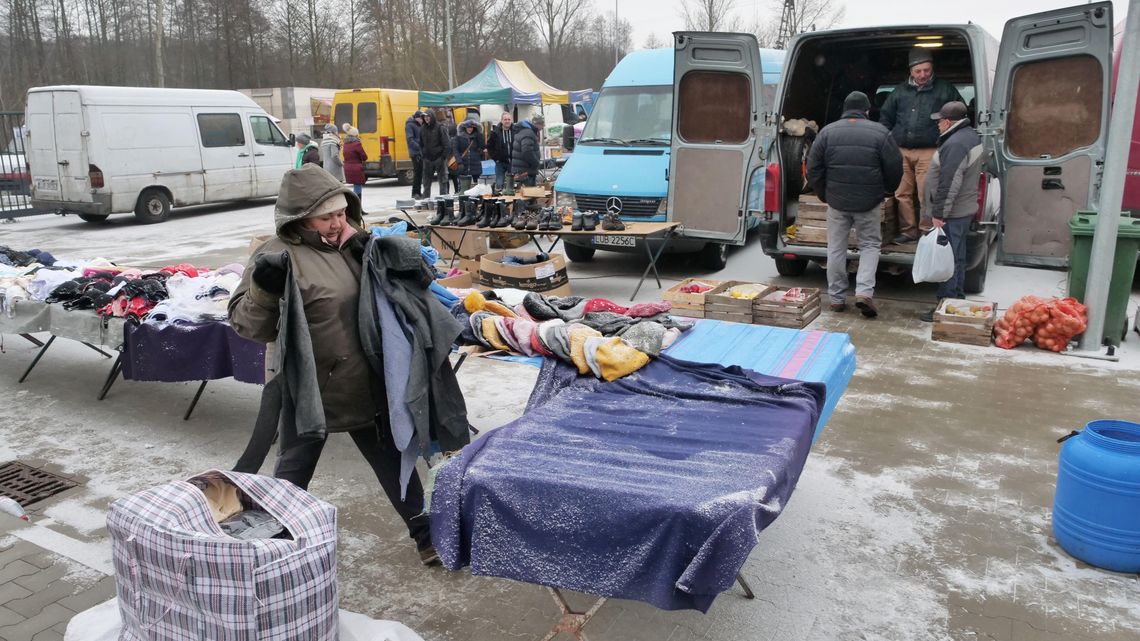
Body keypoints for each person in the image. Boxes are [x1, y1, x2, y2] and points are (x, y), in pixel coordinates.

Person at [228, 164, 437, 564]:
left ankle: (428, 537)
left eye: (342, 213)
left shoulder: (356, 245)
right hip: (309, 388)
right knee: (292, 472)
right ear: (299, 217)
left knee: (395, 463)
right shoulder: (276, 255)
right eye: (326, 216)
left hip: (366, 382)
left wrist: (374, 255)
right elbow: (246, 323)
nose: (337, 222)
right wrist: (265, 290)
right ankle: (274, 550)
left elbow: (415, 286)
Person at [806, 91, 903, 319]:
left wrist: (824, 194)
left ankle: (837, 298)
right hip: (869, 202)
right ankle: (864, 292)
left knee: (836, 248)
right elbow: (895, 167)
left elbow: (813, 168)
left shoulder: (827, 132)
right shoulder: (880, 133)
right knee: (869, 245)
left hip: (837, 202)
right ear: (867, 110)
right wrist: (886, 190)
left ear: (845, 109)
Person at [879, 48, 964, 244]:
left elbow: (959, 115)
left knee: (926, 193)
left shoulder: (945, 89)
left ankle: (927, 230)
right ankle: (909, 231)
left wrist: (947, 141)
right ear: (911, 71)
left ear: (932, 68)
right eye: (918, 71)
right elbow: (885, 117)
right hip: (901, 151)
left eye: (926, 70)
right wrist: (888, 141)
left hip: (930, 150)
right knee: (902, 193)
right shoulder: (899, 92)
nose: (923, 75)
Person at [919, 101, 984, 322]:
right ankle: (955, 299)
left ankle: (945, 304)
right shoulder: (968, 136)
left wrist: (939, 213)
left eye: (939, 121)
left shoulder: (955, 144)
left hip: (953, 213)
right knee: (957, 257)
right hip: (962, 210)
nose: (937, 125)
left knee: (948, 259)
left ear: (947, 122)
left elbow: (949, 182)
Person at [419, 110, 450, 197]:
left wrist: (442, 158)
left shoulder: (440, 127)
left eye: (428, 116)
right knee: (426, 183)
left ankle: (443, 202)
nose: (426, 118)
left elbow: (447, 145)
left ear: (432, 117)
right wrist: (423, 156)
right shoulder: (422, 128)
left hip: (439, 158)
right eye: (425, 117)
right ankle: (426, 201)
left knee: (443, 183)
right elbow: (420, 144)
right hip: (427, 160)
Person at [511, 114, 544, 187]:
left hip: (522, 169)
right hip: (526, 170)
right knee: (528, 195)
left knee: (523, 194)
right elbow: (527, 151)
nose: (542, 127)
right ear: (537, 124)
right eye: (542, 125)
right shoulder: (529, 133)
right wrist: (536, 163)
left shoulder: (523, 131)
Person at [452, 118, 484, 190]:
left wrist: (480, 135)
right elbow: (455, 149)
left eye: (471, 127)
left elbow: (482, 147)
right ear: (464, 127)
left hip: (475, 164)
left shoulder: (477, 136)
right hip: (463, 164)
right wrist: (459, 161)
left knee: (476, 187)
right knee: (463, 187)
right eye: (468, 127)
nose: (470, 129)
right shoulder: (459, 137)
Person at [486, 111, 515, 190]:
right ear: (501, 121)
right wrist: (495, 158)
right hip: (500, 163)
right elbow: (489, 146)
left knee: (512, 185)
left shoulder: (515, 131)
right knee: (499, 184)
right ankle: (500, 200)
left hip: (512, 162)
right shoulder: (495, 132)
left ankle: (511, 201)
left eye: (509, 119)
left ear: (511, 120)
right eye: (505, 119)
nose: (507, 121)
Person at [342, 125, 368, 199]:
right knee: (358, 188)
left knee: (356, 187)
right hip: (356, 168)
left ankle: (358, 208)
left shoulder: (345, 144)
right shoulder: (357, 144)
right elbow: (364, 157)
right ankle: (357, 208)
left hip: (347, 167)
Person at [405, 111, 425, 198]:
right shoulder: (410, 125)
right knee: (417, 173)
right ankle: (414, 193)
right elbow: (410, 140)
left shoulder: (420, 125)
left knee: (420, 173)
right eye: (421, 118)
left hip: (421, 152)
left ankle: (418, 192)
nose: (422, 120)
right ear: (417, 118)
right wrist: (419, 147)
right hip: (415, 153)